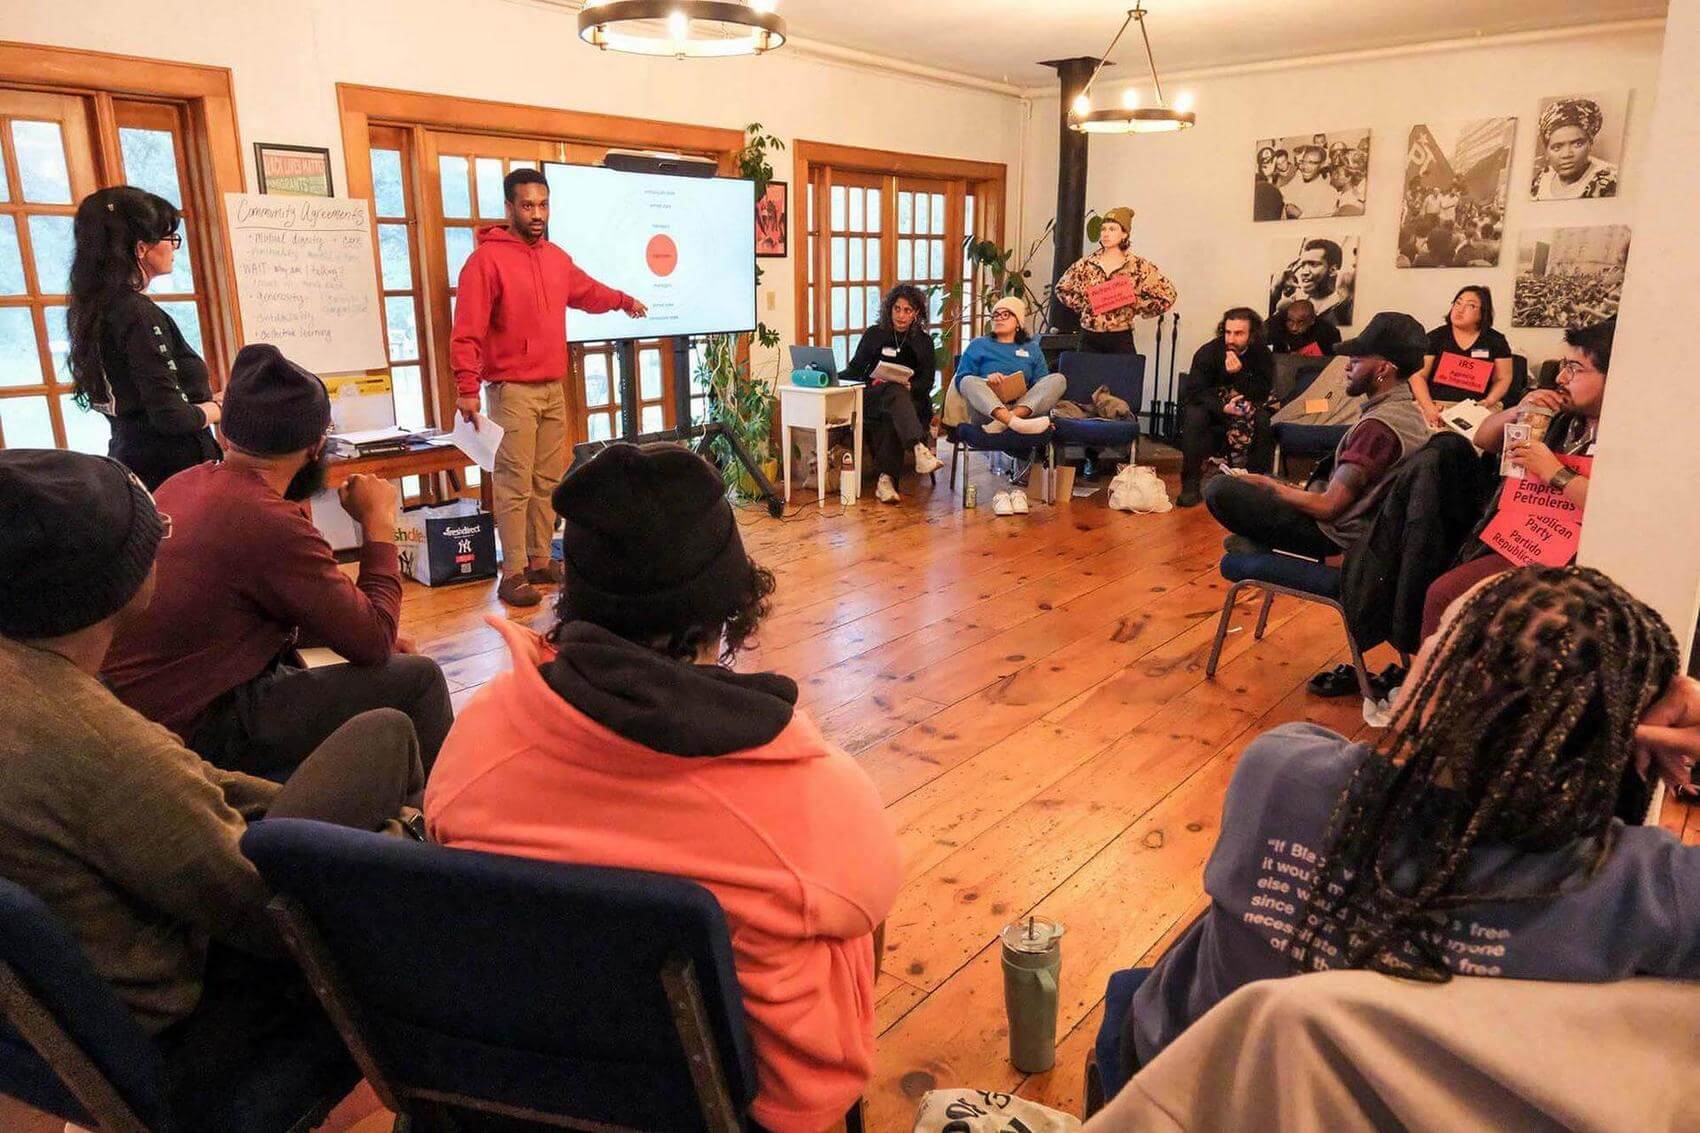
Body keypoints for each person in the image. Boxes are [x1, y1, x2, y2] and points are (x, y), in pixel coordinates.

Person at [426, 442, 901, 1133]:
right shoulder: (800, 788)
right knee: (842, 916)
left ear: (576, 596)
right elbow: (873, 891)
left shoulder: (480, 737)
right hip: (731, 1110)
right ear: (730, 605)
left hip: (528, 1088)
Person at [1119, 563, 1700, 1074]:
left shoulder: (1284, 771)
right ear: (1627, 733)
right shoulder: (1646, 890)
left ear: (1432, 675)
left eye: (1449, 638)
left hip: (1177, 1083)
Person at [0, 449, 422, 1122]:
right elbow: (266, 913)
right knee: (393, 748)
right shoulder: (101, 751)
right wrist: (394, 845)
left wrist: (274, 807)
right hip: (195, 1028)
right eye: (151, 540)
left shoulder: (32, 684)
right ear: (108, 584)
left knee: (382, 741)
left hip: (62, 1015)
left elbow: (190, 781)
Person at [104, 343, 452, 781]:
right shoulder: (268, 519)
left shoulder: (181, 484)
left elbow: (231, 612)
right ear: (317, 445)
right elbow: (375, 640)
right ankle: (446, 824)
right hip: (199, 729)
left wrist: (350, 627)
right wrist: (378, 525)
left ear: (226, 436)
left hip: (137, 718)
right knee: (418, 679)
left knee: (345, 665)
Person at [451, 168, 648, 608]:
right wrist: (467, 386)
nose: (536, 214)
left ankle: (541, 560)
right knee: (513, 482)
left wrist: (623, 300)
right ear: (509, 209)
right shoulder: (485, 261)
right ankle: (513, 572)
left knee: (547, 480)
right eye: (527, 206)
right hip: (511, 391)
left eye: (542, 205)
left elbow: (587, 291)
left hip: (553, 387)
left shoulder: (556, 257)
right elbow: (466, 330)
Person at [1420, 319, 1613, 639]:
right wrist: (1518, 410)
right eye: (1564, 365)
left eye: (1575, 369)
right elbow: (1484, 437)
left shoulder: (1629, 437)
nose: (1562, 377)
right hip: (1524, 541)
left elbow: (1611, 506)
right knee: (1444, 594)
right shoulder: (1562, 418)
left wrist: (1554, 472)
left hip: (1575, 563)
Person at [1202, 312, 1433, 553]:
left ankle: (1287, 551)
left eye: (1355, 360)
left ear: (1383, 368)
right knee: (1249, 507)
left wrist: (1267, 485)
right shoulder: (1408, 414)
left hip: (1335, 536)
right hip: (1356, 527)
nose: (1347, 367)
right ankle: (1261, 544)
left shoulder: (1379, 427)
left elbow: (1328, 507)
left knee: (1219, 489)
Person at [66, 186, 222, 490]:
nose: (175, 247)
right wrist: (220, 408)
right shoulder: (137, 313)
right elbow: (170, 416)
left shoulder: (94, 307)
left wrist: (204, 402)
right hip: (173, 473)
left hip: (131, 460)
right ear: (140, 249)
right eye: (169, 238)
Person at [842, 283, 943, 503]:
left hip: (911, 404)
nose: (901, 315)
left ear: (916, 313)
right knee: (892, 390)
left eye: (907, 310)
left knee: (892, 414)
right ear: (890, 309)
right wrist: (831, 376)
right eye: (897, 309)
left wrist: (910, 386)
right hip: (873, 398)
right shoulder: (875, 334)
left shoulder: (923, 341)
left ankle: (885, 482)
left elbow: (926, 382)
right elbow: (854, 370)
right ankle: (918, 447)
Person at [1176, 308, 1276, 507]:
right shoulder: (1208, 352)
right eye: (1228, 332)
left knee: (1264, 420)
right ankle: (1190, 486)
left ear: (1252, 335)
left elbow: (1263, 391)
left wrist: (1239, 374)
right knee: (1194, 416)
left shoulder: (1262, 354)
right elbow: (1194, 392)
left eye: (1238, 333)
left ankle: (1254, 487)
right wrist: (1223, 407)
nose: (1231, 339)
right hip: (1215, 407)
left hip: (1248, 405)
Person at [1052, 205, 1177, 354]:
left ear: (1124, 234)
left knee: (1124, 376)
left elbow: (1168, 294)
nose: (1106, 234)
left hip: (1121, 338)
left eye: (1112, 229)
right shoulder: (1086, 264)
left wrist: (1135, 304)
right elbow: (1062, 288)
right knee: (1085, 376)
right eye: (1103, 229)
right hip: (1089, 337)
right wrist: (1087, 303)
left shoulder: (1137, 266)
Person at [1412, 285, 1513, 428]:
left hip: (1477, 407)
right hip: (1436, 404)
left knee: (1474, 441)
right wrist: (1429, 408)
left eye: (1471, 306)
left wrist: (1488, 401)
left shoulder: (1495, 340)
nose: (1460, 309)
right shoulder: (1435, 337)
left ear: (1483, 313)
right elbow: (1418, 376)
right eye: (1458, 303)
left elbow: (1503, 378)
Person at [1532, 97, 1619, 200]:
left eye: (1577, 144)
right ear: (1547, 151)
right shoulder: (1542, 178)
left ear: (1590, 143)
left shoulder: (1610, 180)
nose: (1567, 154)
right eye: (1557, 147)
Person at [1270, 237, 1351, 326]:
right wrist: (1276, 289)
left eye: (1313, 264)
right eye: (1303, 265)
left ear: (1333, 270)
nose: (1304, 272)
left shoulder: (1346, 308)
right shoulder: (1291, 304)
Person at [1265, 298, 1340, 357]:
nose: (1294, 328)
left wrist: (1304, 357)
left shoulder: (1329, 332)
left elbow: (1334, 362)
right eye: (1290, 321)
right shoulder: (1277, 322)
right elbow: (1256, 340)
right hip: (1281, 367)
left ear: (1312, 321)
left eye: (1300, 322)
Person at [1281, 146, 1338, 219]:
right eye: (1303, 162)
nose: (1305, 167)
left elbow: (1323, 224)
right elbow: (1282, 193)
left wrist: (1299, 214)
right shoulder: (1298, 178)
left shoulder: (1330, 192)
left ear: (1322, 165)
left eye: (1311, 163)